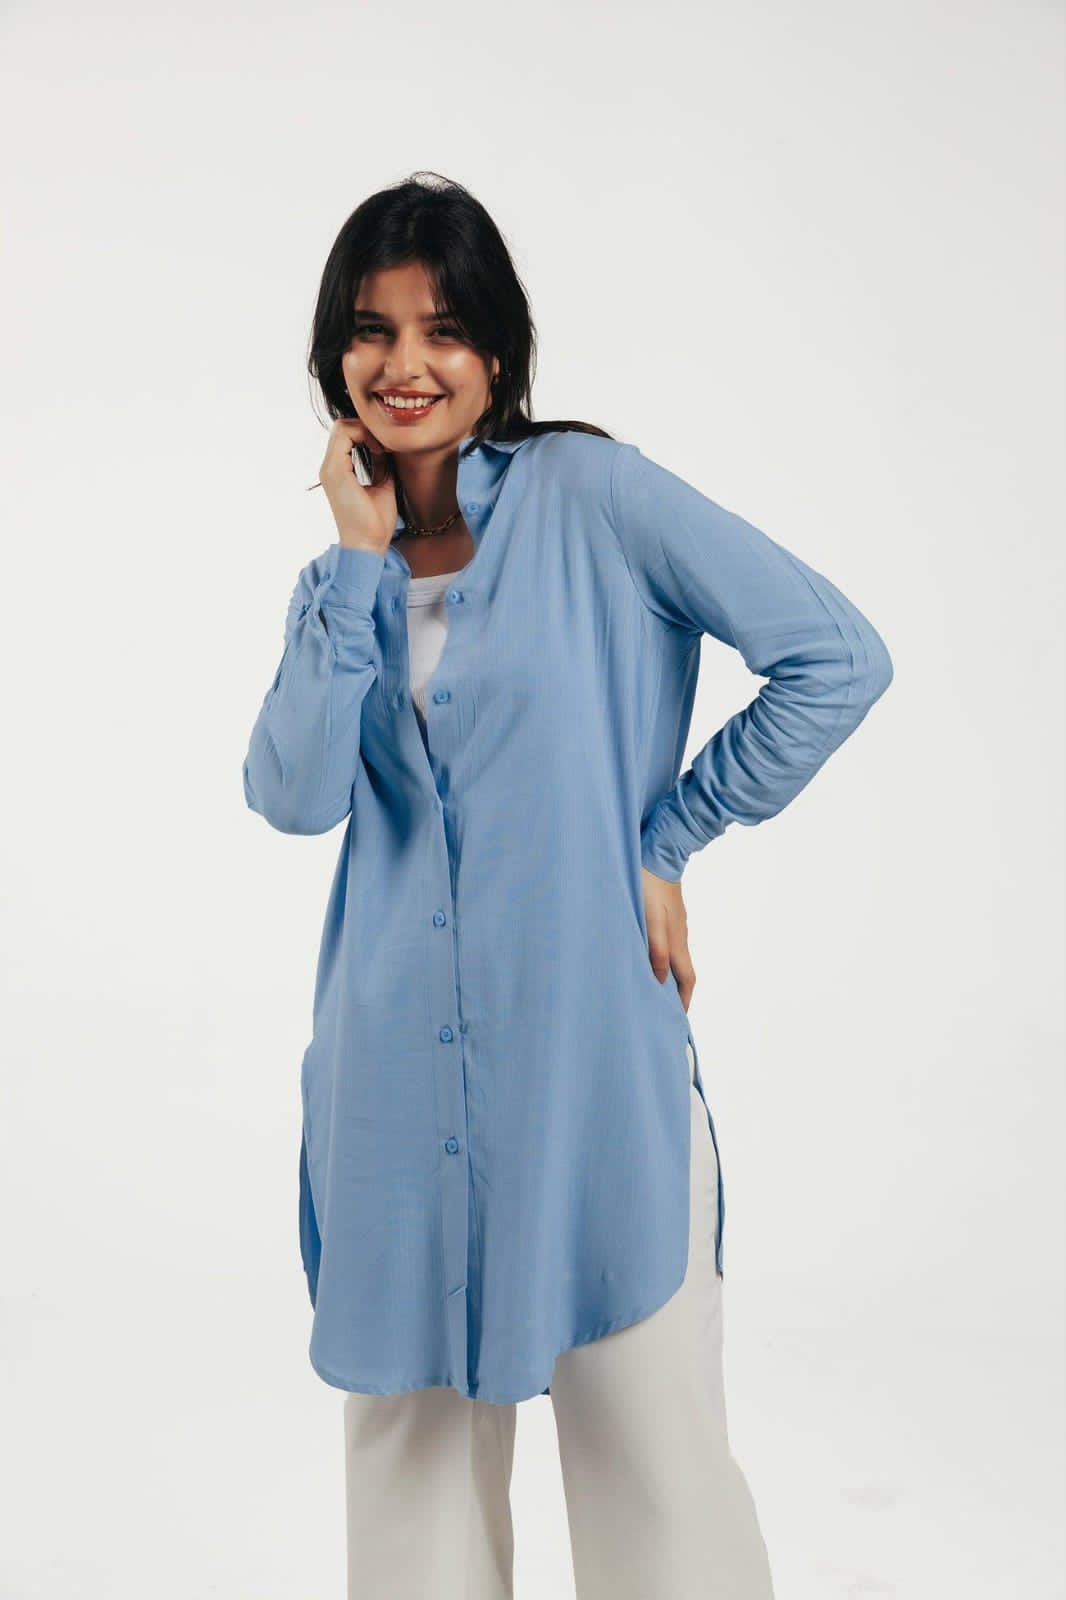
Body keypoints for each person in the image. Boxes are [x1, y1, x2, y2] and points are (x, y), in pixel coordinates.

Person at [242, 171, 894, 1600]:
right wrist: (354, 563)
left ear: (497, 350)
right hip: (391, 1079)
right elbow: (292, 796)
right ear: (334, 357)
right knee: (408, 1472)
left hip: (589, 1061)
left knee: (653, 1464)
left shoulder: (595, 498)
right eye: (372, 330)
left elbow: (835, 659)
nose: (406, 364)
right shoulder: (336, 584)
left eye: (443, 328)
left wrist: (666, 838)